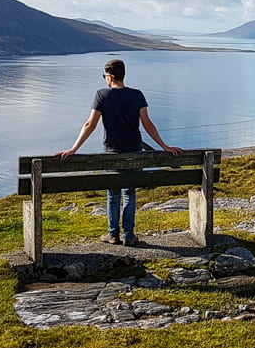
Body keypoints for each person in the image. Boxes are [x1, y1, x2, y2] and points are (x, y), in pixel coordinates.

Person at [54, 59, 182, 247]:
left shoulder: (102, 95)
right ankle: (129, 235)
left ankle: (112, 234)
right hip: (135, 153)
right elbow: (147, 124)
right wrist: (164, 146)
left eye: (105, 76)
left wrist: (74, 149)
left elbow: (90, 124)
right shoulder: (137, 95)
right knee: (129, 193)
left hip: (112, 153)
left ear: (110, 76)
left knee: (113, 195)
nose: (105, 79)